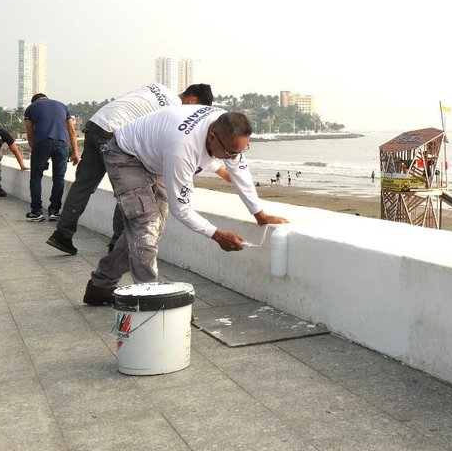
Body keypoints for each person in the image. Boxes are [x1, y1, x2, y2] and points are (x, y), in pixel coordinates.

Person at [83, 107, 286, 305]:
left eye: (240, 151)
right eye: (229, 153)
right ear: (212, 137)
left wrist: (260, 215)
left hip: (155, 159)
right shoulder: (183, 147)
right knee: (146, 225)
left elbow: (240, 173)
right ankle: (152, 301)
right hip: (125, 155)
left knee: (149, 230)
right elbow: (181, 209)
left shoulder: (227, 130)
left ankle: (101, 285)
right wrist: (217, 235)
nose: (232, 158)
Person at [45, 83, 212, 256]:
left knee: (83, 185)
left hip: (97, 123)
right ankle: (117, 245)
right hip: (115, 133)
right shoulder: (175, 111)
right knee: (128, 189)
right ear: (192, 101)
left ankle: (62, 234)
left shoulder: (158, 87)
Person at [22, 93, 79, 222]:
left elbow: (30, 134)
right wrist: (75, 153)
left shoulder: (31, 109)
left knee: (36, 177)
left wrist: (35, 150)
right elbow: (72, 131)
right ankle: (54, 211)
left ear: (34, 101)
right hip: (62, 144)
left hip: (42, 143)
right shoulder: (62, 106)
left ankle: (37, 212)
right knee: (59, 178)